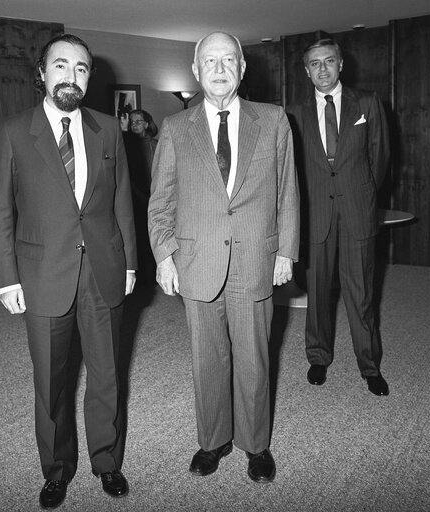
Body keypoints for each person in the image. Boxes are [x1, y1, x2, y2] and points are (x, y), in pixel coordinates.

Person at [0, 34, 137, 509]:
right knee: (51, 383)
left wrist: (131, 262)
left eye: (81, 68)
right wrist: (7, 277)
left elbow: (122, 203)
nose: (71, 76)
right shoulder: (14, 131)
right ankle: (56, 469)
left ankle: (107, 461)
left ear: (89, 77)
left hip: (104, 270)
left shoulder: (109, 130)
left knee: (107, 374)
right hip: (41, 275)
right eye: (61, 66)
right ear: (42, 73)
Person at [148, 32, 299, 483]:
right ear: (195, 71)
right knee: (207, 359)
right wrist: (164, 256)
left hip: (256, 258)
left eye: (227, 60)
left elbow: (288, 192)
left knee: (254, 359)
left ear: (242, 68)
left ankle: (256, 446)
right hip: (198, 263)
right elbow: (161, 202)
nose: (218, 68)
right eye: (209, 61)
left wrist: (287, 251)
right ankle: (212, 441)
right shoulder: (176, 128)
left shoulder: (273, 120)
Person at [286, 38, 390, 396]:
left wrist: (361, 194)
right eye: (315, 64)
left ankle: (369, 365)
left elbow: (380, 159)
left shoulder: (367, 103)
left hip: (357, 213)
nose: (323, 69)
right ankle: (318, 356)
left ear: (341, 64)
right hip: (316, 216)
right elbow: (291, 170)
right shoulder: (293, 113)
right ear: (306, 70)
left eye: (329, 61)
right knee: (317, 293)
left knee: (361, 294)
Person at [123, 109, 159, 284]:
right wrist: (141, 196)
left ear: (147, 124)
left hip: (156, 197)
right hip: (135, 198)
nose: (134, 124)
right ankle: (143, 279)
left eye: (138, 121)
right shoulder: (126, 145)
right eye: (132, 121)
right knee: (139, 239)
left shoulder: (156, 144)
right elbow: (126, 177)